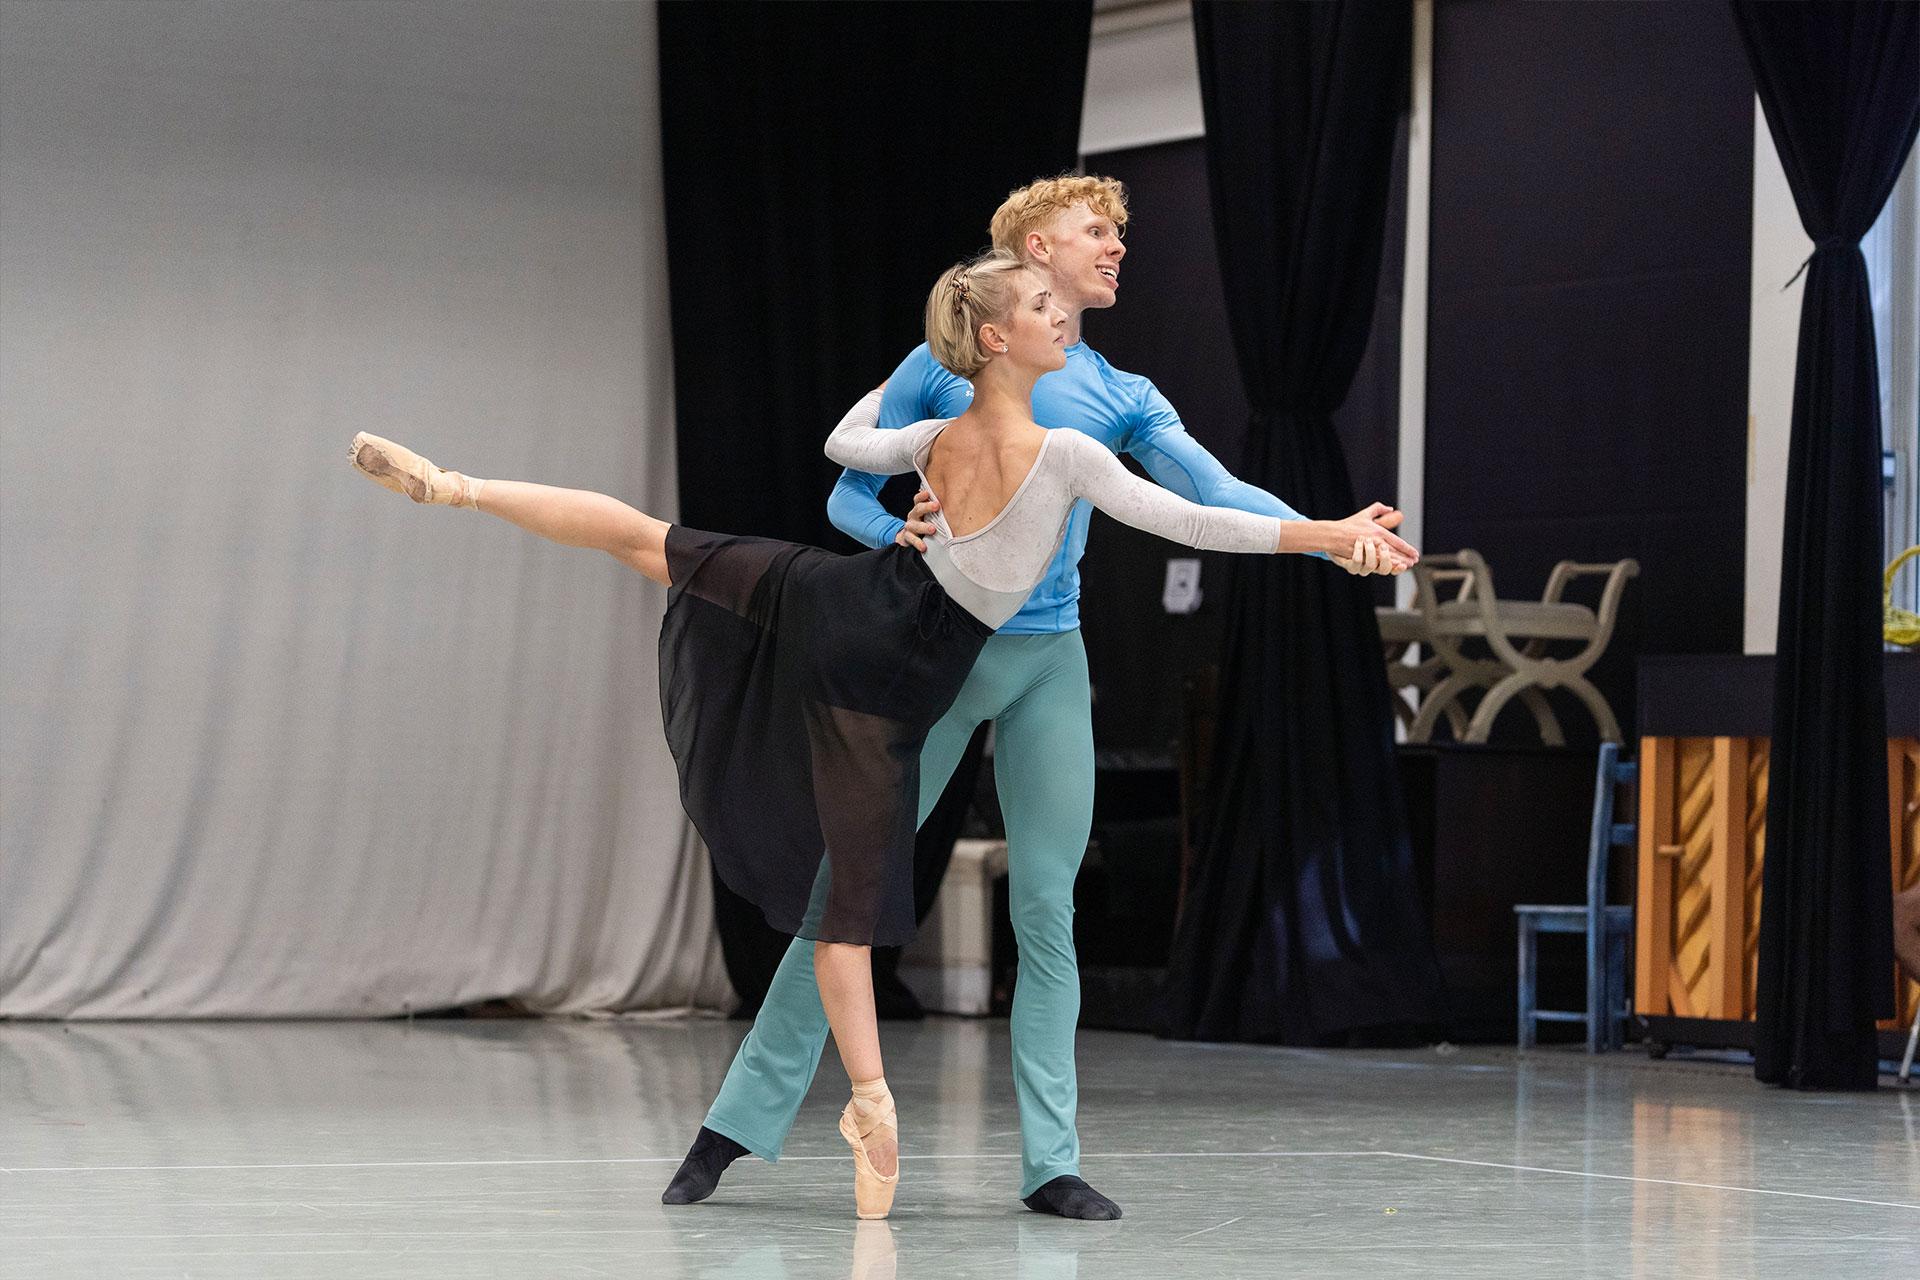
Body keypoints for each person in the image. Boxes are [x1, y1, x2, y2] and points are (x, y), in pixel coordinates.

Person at [349, 249, 1413, 1219]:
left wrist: (900, 519)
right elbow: (1193, 522)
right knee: (844, 914)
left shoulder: (940, 433)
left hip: (839, 605)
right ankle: (856, 1108)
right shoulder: (1067, 455)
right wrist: (1329, 538)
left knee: (650, 541)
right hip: (886, 684)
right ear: (998, 335)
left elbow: (852, 440)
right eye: (1045, 304)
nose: (1065, 314)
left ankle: (459, 485)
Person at [671, 175, 1390, 1222]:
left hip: (1052, 659)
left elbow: (1214, 494)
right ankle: (733, 1124)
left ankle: (1051, 1158)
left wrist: (1332, 530)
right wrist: (894, 540)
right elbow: (844, 489)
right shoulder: (951, 360)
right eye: (1099, 232)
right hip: (939, 658)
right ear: (1036, 247)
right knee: (843, 896)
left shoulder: (1123, 392)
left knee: (1045, 907)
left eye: (1119, 234)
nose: (1117, 249)